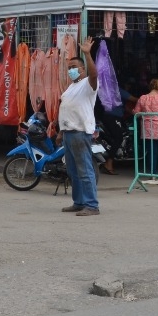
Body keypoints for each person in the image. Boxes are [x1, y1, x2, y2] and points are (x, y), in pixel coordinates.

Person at [57, 37, 100, 216]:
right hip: (68, 133)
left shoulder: (87, 85)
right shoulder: (70, 88)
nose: (71, 71)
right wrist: (60, 131)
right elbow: (66, 109)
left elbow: (94, 75)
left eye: (74, 67)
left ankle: (92, 205)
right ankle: (78, 201)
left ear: (82, 69)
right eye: (69, 68)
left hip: (80, 133)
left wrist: (87, 53)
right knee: (73, 171)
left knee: (84, 171)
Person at [133, 78, 158, 174]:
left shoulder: (142, 98)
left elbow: (136, 112)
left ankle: (153, 173)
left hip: (148, 128)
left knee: (151, 151)